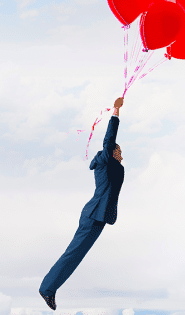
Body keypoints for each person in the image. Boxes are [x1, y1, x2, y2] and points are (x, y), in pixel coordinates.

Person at [39, 97, 126, 310]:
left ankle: (49, 288)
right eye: (120, 151)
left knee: (76, 256)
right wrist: (116, 113)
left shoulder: (112, 165)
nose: (122, 155)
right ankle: (47, 289)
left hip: (99, 216)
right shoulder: (107, 160)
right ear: (113, 152)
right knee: (74, 253)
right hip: (94, 215)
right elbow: (109, 139)